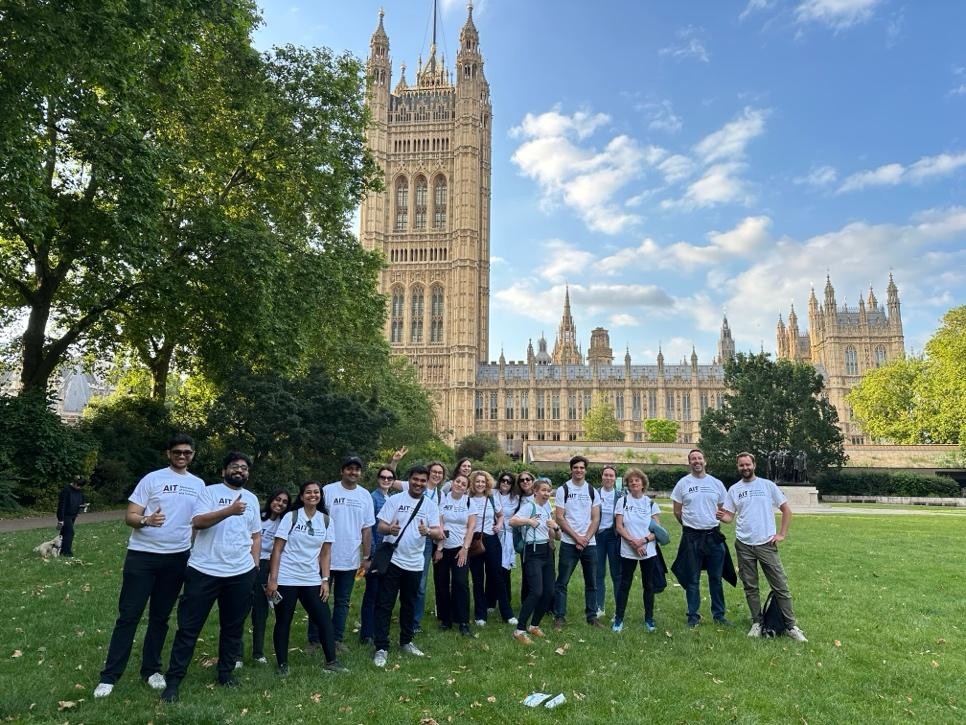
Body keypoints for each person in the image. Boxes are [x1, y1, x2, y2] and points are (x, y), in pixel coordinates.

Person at [93, 435, 204, 699]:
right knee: (129, 616)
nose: (182, 456)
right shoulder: (152, 479)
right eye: (177, 452)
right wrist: (146, 520)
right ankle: (109, 676)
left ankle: (151, 669)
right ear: (169, 453)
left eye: (187, 452)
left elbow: (200, 521)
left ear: (193, 455)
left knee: (160, 617)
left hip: (177, 557)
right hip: (142, 557)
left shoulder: (199, 484)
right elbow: (129, 516)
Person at [161, 452, 261, 702]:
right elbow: (198, 522)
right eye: (235, 467)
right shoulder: (209, 492)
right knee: (189, 628)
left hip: (240, 573)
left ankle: (225, 673)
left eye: (244, 468)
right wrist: (229, 510)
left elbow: (256, 534)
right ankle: (174, 681)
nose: (240, 470)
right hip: (204, 570)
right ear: (224, 471)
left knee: (233, 627)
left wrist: (255, 566)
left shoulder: (252, 499)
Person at [718, 452, 808, 642]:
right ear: (738, 467)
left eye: (747, 464)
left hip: (767, 543)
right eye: (741, 465)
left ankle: (791, 626)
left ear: (754, 465)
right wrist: (720, 516)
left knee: (781, 586)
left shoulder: (767, 485)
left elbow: (786, 510)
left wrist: (781, 534)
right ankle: (757, 623)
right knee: (751, 586)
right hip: (744, 545)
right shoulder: (734, 489)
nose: (745, 468)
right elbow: (729, 517)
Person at [266, 481, 347, 675]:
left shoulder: (326, 520)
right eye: (308, 492)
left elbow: (326, 553)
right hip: (287, 578)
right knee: (283, 621)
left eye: (316, 492)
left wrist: (325, 580)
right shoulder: (291, 517)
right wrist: (273, 579)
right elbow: (277, 549)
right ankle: (283, 665)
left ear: (320, 496)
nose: (313, 495)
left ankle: (332, 662)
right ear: (302, 497)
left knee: (324, 619)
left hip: (311, 578)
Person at [373, 465, 444, 668]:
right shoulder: (396, 500)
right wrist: (391, 528)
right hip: (393, 560)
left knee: (409, 604)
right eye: (415, 479)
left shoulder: (430, 505)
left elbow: (439, 533)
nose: (419, 483)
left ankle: (406, 641)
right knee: (385, 604)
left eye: (423, 480)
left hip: (415, 562)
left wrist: (427, 531)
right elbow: (380, 526)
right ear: (409, 479)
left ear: (426, 482)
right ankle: (381, 647)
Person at [309, 456, 375, 652]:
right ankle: (314, 639)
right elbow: (314, 518)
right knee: (318, 599)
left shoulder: (364, 496)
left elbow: (367, 529)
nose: (353, 472)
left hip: (349, 557)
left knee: (342, 601)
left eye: (357, 469)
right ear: (342, 471)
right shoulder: (328, 491)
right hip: (324, 556)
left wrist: (366, 557)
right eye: (349, 468)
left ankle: (336, 639)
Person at [670, 449, 735, 629]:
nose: (696, 461)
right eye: (693, 459)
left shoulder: (716, 483)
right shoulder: (683, 484)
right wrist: (690, 524)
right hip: (691, 537)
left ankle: (719, 615)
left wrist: (716, 516)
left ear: (705, 461)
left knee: (716, 577)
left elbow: (724, 508)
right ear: (689, 462)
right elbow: (677, 511)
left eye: (699, 458)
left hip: (713, 536)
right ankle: (693, 615)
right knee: (692, 579)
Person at [613, 468, 666, 633]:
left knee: (648, 585)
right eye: (631, 481)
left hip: (648, 551)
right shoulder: (622, 502)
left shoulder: (650, 504)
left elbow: (656, 530)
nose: (634, 483)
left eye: (637, 480)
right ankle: (618, 619)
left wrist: (642, 541)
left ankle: (649, 619)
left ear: (643, 484)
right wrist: (633, 542)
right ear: (627, 484)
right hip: (628, 550)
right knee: (624, 585)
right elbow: (619, 526)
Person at [552, 455, 602, 629]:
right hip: (568, 543)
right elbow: (559, 517)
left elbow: (596, 518)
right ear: (571, 469)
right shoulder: (563, 489)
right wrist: (577, 538)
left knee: (592, 583)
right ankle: (559, 617)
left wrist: (586, 538)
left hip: (590, 544)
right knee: (562, 582)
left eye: (582, 467)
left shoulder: (592, 491)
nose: (579, 470)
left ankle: (592, 617)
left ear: (585, 470)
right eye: (576, 467)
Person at [509, 478, 560, 644]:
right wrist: (529, 521)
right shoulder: (529, 506)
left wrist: (556, 527)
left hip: (547, 550)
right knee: (536, 591)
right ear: (535, 491)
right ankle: (519, 630)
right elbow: (512, 521)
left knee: (549, 592)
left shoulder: (546, 508)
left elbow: (557, 537)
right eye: (543, 490)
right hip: (532, 552)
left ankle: (534, 626)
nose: (546, 493)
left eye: (548, 490)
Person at [247, 488, 290, 665]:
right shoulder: (258, 516)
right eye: (277, 499)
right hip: (246, 563)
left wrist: (273, 575)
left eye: (284, 502)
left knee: (260, 611)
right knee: (240, 608)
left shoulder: (285, 523)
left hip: (267, 566)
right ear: (271, 500)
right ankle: (235, 654)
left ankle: (258, 652)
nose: (279, 504)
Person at [468, 470, 515, 626]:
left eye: (483, 481)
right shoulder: (467, 499)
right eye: (477, 481)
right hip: (474, 542)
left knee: (497, 577)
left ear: (487, 483)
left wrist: (499, 525)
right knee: (477, 578)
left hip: (491, 540)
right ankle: (480, 615)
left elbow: (500, 515)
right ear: (473, 483)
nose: (480, 484)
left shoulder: (492, 498)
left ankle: (507, 614)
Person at [433, 473, 476, 636]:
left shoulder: (469, 502)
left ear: (466, 488)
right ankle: (446, 619)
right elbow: (440, 524)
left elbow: (471, 527)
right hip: (443, 549)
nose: (459, 485)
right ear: (452, 483)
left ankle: (463, 621)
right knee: (441, 584)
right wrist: (439, 549)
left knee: (460, 583)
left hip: (460, 549)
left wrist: (465, 548)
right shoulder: (443, 500)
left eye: (463, 484)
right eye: (457, 481)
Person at [359, 466, 396, 646]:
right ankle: (367, 633)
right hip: (376, 552)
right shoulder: (373, 498)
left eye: (390, 478)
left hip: (389, 551)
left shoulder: (391, 498)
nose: (386, 480)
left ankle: (377, 628)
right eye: (383, 477)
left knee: (383, 593)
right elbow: (369, 528)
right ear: (377, 478)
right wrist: (370, 555)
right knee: (372, 593)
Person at [594, 465, 622, 619]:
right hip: (597, 536)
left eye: (611, 475)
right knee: (598, 573)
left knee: (616, 573)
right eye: (606, 475)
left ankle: (619, 609)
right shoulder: (595, 494)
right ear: (602, 477)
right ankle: (599, 607)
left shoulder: (620, 495)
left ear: (615, 478)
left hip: (614, 536)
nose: (608, 478)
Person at [494, 472, 518, 605]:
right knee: (492, 568)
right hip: (493, 534)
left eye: (509, 482)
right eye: (503, 480)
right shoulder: (492, 494)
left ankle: (506, 600)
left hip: (508, 536)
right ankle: (490, 601)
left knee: (505, 570)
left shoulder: (515, 499)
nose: (505, 483)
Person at [56, 475, 86, 557]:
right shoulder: (66, 490)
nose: (78, 487)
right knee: (70, 533)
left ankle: (58, 548)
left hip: (73, 515)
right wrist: (61, 519)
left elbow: (81, 499)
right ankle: (66, 553)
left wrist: (82, 507)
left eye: (80, 486)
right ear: (74, 483)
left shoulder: (79, 491)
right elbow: (62, 505)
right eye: (78, 485)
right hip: (65, 515)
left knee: (64, 533)